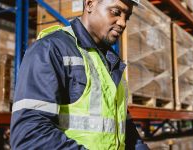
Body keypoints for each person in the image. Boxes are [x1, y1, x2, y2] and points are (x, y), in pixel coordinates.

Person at [10, 0, 145, 149]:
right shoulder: (51, 49)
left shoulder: (111, 62)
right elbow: (29, 135)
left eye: (127, 17)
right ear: (90, 4)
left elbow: (124, 128)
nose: (122, 22)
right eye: (116, 12)